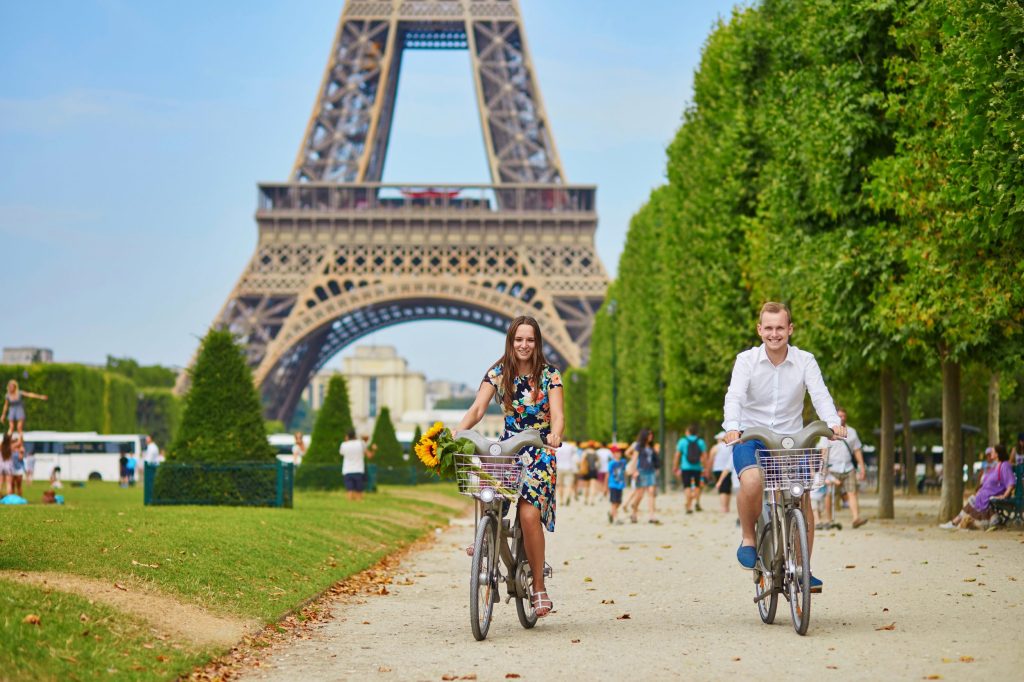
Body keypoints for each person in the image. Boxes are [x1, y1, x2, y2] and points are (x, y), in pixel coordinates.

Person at [723, 302, 845, 592]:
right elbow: (735, 396)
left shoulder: (805, 361)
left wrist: (832, 423)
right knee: (751, 480)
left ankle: (804, 568)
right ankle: (749, 537)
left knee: (802, 497)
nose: (774, 334)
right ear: (759, 329)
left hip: (792, 440)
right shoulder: (746, 360)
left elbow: (820, 394)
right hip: (751, 436)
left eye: (780, 328)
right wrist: (731, 427)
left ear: (789, 329)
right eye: (768, 328)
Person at [456, 315, 564, 618]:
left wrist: (555, 433)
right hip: (509, 450)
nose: (524, 345)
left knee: (529, 515)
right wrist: (456, 432)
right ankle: (487, 540)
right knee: (487, 495)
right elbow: (477, 408)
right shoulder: (497, 373)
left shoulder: (550, 375)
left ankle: (539, 586)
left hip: (540, 450)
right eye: (519, 339)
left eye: (530, 339)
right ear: (510, 341)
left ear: (537, 342)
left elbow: (558, 414)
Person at [940, 443, 1015, 530]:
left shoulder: (1004, 465)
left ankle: (955, 522)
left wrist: (1004, 495)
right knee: (975, 498)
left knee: (974, 499)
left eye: (993, 452)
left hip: (995, 493)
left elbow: (1011, 483)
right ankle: (957, 522)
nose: (991, 453)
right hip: (987, 493)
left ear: (997, 454)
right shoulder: (997, 465)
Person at [818, 407, 868, 528]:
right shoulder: (827, 431)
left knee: (852, 492)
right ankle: (829, 519)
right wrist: (823, 469)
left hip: (848, 467)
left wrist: (862, 467)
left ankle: (856, 518)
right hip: (832, 468)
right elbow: (823, 451)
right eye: (839, 416)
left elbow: (857, 450)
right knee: (829, 494)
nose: (842, 418)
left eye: (844, 416)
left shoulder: (852, 432)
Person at [625, 428, 660, 524]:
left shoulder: (652, 447)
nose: (651, 437)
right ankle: (634, 511)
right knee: (640, 494)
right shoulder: (639, 446)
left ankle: (652, 515)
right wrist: (634, 471)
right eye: (649, 435)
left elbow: (654, 459)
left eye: (652, 435)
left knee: (651, 493)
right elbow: (634, 459)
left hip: (651, 471)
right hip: (641, 471)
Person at [675, 424, 706, 514]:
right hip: (697, 467)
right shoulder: (700, 442)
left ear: (688, 432)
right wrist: (706, 467)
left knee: (687, 486)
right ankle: (692, 498)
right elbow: (704, 456)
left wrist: (675, 466)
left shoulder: (682, 441)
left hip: (685, 467)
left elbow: (677, 455)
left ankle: (688, 505)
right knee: (697, 486)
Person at [340, 430, 375, 501]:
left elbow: (341, 453)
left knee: (349, 491)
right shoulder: (361, 443)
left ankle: (350, 507)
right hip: (359, 470)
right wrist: (374, 449)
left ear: (347, 436)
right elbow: (369, 455)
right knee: (359, 492)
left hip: (347, 470)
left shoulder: (343, 445)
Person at [710, 432, 734, 513]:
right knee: (727, 488)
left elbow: (711, 459)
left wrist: (708, 469)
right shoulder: (731, 446)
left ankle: (723, 507)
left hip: (717, 469)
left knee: (722, 489)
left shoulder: (716, 447)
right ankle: (727, 507)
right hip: (729, 470)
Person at [607, 445, 627, 524]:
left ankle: (611, 513)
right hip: (613, 484)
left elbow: (624, 472)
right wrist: (606, 486)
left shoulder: (623, 462)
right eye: (616, 452)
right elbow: (608, 474)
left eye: (619, 452)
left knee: (619, 502)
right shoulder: (611, 463)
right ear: (613, 454)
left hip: (620, 485)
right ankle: (616, 518)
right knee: (614, 502)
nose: (618, 454)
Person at [554, 440, 576, 507]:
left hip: (559, 467)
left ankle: (561, 500)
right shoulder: (571, 447)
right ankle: (568, 496)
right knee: (569, 484)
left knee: (560, 485)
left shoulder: (557, 447)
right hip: (569, 467)